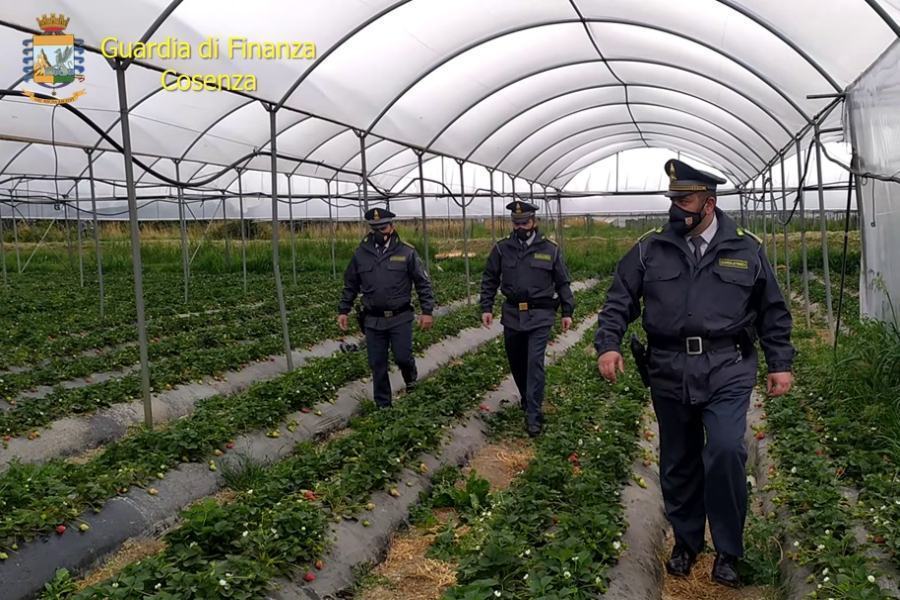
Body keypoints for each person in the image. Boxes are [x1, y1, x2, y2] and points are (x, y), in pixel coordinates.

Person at [594, 159, 795, 588]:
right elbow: (619, 299)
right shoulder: (651, 249)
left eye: (684, 200)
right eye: (673, 199)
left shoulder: (746, 249)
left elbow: (772, 311)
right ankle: (686, 542)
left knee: (725, 450)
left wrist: (780, 363)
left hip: (727, 366)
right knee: (678, 458)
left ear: (709, 203)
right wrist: (608, 343)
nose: (676, 208)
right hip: (669, 368)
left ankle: (728, 550)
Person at [479, 200, 575, 437]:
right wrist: (486, 307)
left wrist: (567, 311)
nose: (520, 227)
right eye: (516, 223)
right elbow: (490, 278)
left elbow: (562, 282)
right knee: (517, 362)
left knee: (534, 362)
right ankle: (526, 397)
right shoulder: (502, 249)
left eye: (524, 223)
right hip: (513, 314)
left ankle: (533, 413)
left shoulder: (550, 249)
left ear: (534, 222)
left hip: (540, 314)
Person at [338, 207, 434, 408]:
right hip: (373, 319)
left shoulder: (406, 252)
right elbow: (351, 284)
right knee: (377, 363)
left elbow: (422, 283)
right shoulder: (361, 253)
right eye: (375, 229)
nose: (379, 233)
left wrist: (427, 311)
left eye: (383, 228)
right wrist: (344, 310)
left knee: (402, 357)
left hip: (400, 316)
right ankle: (383, 406)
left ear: (392, 227)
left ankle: (411, 382)